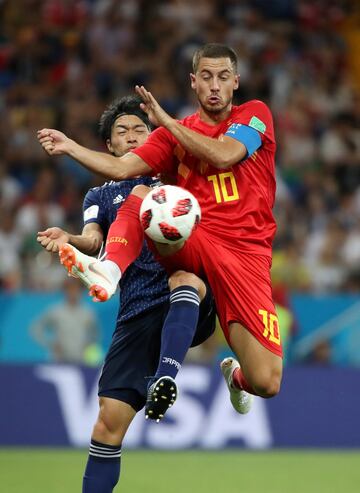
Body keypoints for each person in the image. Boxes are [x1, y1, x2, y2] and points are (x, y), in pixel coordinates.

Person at [38, 42, 282, 412]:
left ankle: (236, 379)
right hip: (198, 237)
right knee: (145, 194)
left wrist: (166, 122)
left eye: (223, 77)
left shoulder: (254, 115)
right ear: (193, 82)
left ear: (236, 82)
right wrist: (71, 146)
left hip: (248, 256)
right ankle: (108, 269)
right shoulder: (171, 136)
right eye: (206, 77)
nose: (214, 85)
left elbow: (224, 154)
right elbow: (121, 168)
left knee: (267, 381)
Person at [37, 95, 216, 493]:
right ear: (111, 147)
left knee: (187, 279)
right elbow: (92, 238)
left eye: (140, 129)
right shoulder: (98, 197)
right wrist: (69, 239)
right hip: (136, 311)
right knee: (107, 423)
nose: (133, 136)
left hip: (185, 297)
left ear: (153, 137)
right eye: (123, 132)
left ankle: (164, 378)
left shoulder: (174, 178)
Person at [31, 278, 101, 364]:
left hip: (80, 360)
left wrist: (88, 344)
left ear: (80, 291)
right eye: (70, 289)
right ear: (66, 291)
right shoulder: (56, 311)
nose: (73, 292)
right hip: (59, 360)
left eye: (76, 289)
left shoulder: (87, 312)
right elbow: (36, 327)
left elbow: (96, 333)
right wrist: (50, 343)